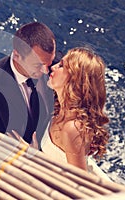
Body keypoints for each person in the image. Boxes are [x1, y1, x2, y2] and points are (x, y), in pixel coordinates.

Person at [0, 22, 56, 144]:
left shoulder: (53, 65)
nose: (46, 71)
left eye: (49, 63)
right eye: (38, 65)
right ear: (17, 55)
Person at [40, 47, 110, 179]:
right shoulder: (59, 112)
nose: (53, 67)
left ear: (74, 80)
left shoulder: (73, 128)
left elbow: (80, 182)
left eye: (61, 66)